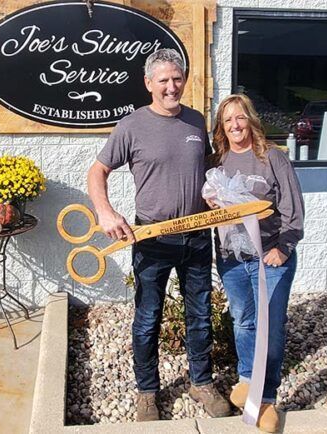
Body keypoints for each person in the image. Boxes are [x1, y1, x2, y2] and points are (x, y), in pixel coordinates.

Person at [87, 48, 232, 422]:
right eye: (163, 80)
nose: (171, 87)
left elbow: (205, 170)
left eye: (177, 79)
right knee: (148, 316)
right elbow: (97, 171)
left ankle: (201, 383)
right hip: (151, 239)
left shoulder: (196, 122)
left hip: (197, 235)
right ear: (149, 83)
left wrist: (217, 194)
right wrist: (105, 211)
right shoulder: (132, 126)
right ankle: (147, 392)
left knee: (199, 313)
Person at [207, 94, 304, 433]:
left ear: (250, 120)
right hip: (233, 260)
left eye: (240, 118)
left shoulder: (272, 158)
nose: (235, 125)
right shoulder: (218, 160)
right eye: (228, 120)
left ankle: (267, 399)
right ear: (221, 127)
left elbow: (294, 212)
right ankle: (247, 382)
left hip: (271, 259)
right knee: (244, 321)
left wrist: (284, 248)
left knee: (271, 327)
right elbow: (214, 215)